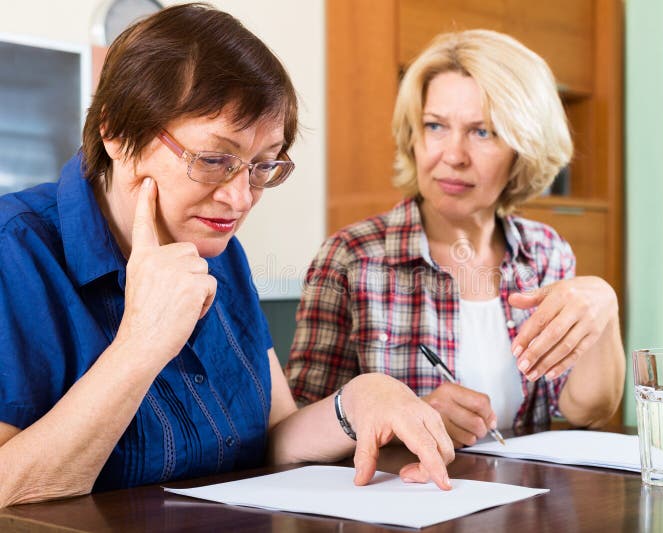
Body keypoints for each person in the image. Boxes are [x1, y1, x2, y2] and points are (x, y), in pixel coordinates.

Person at [0, 4, 453, 508]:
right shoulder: (13, 252)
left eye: (262, 166)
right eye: (214, 160)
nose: (240, 200)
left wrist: (360, 400)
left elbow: (275, 436)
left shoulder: (219, 250)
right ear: (116, 134)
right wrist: (141, 345)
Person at [286, 29, 626, 447]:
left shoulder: (545, 252)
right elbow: (299, 428)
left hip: (525, 505)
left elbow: (587, 411)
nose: (453, 155)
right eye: (435, 126)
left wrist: (604, 308)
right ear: (413, 135)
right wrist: (409, 420)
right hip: (401, 504)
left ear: (523, 147)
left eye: (482, 132)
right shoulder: (350, 257)